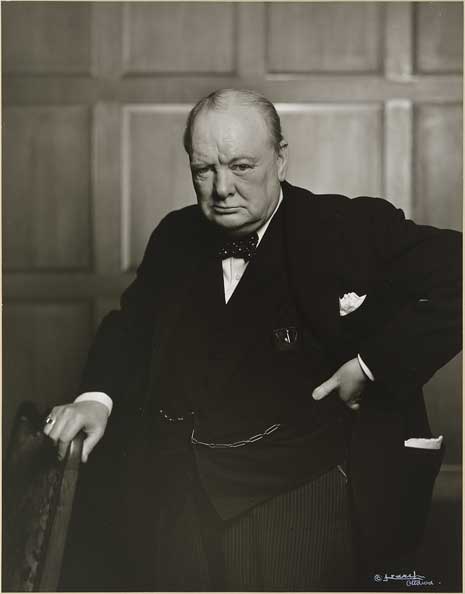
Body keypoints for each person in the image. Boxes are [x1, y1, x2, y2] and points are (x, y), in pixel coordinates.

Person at [44, 88, 461, 591]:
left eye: (241, 166)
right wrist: (97, 399)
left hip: (300, 496)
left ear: (281, 159)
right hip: (178, 497)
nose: (221, 188)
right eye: (204, 170)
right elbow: (131, 327)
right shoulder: (176, 235)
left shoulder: (346, 226)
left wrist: (372, 365)